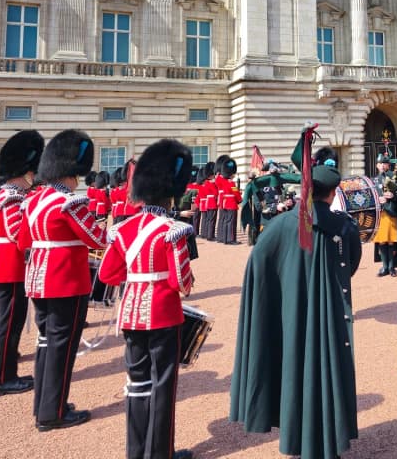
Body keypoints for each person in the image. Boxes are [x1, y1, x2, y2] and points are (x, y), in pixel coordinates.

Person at [230, 159, 362, 459]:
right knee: (326, 372)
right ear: (333, 192)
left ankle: (299, 442)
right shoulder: (343, 225)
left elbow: (258, 267)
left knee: (293, 369)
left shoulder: (278, 224)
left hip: (288, 314)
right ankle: (327, 444)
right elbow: (350, 266)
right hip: (328, 315)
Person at [99, 139, 196, 459]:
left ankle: (136, 451)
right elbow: (181, 282)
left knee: (136, 385)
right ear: (171, 194)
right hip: (163, 314)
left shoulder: (123, 230)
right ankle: (160, 454)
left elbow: (108, 276)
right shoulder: (173, 230)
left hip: (130, 314)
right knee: (162, 387)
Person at [18, 129, 107, 431]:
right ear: (70, 172)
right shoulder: (68, 202)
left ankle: (45, 403)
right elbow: (97, 237)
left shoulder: (34, 200)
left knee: (46, 342)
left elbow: (24, 241)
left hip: (39, 279)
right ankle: (52, 413)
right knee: (62, 347)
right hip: (65, 280)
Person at [0, 130, 45, 397]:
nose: (33, 178)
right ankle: (2, 379)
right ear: (23, 172)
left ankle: (1, 373)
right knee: (9, 323)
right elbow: (17, 233)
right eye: (31, 173)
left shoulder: (6, 195)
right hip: (11, 266)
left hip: (8, 264)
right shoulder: (12, 198)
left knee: (8, 322)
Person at [373, 153, 397, 277]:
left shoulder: (394, 178)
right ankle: (384, 266)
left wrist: (393, 196)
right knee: (382, 241)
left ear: (388, 165)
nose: (382, 166)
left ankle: (392, 267)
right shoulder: (374, 180)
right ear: (377, 166)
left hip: (391, 213)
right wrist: (377, 199)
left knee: (391, 241)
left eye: (384, 163)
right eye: (380, 164)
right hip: (380, 214)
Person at [214, 155, 241, 244]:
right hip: (231, 203)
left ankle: (223, 238)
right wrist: (240, 200)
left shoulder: (221, 180)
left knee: (224, 220)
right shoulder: (231, 183)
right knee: (231, 222)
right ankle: (230, 239)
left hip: (224, 202)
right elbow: (236, 193)